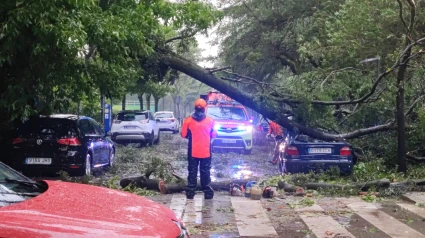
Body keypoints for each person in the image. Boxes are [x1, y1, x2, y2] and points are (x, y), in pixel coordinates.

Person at [181, 99, 216, 199]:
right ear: (204, 109)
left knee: (192, 171)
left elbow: (183, 135)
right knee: (205, 171)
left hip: (193, 151)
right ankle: (208, 193)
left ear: (195, 108)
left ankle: (190, 192)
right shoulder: (211, 121)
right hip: (206, 152)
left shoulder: (188, 120)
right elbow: (214, 134)